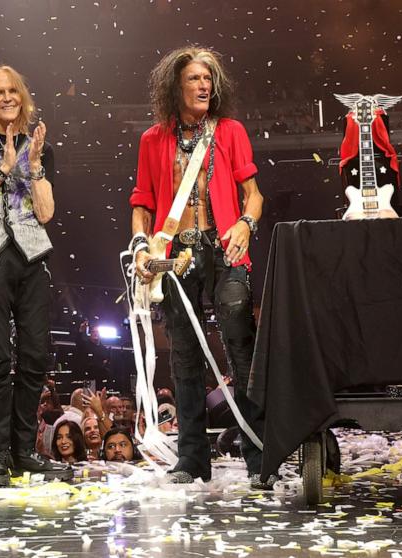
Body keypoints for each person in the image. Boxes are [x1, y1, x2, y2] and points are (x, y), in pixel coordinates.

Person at [129, 46, 273, 488]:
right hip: (177, 254)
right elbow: (142, 203)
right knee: (186, 357)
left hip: (224, 248)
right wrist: (139, 247)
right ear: (176, 86)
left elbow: (254, 194)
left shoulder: (229, 131)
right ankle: (191, 459)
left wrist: (247, 224)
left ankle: (258, 454)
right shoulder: (153, 140)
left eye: (208, 78)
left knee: (241, 349)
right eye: (194, 78)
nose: (203, 85)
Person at [0, 65, 72, 487]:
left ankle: (25, 451)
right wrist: (2, 171)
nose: (6, 98)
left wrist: (33, 165)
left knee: (36, 355)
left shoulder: (41, 148)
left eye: (13, 92)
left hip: (32, 257)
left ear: (22, 98)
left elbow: (45, 213)